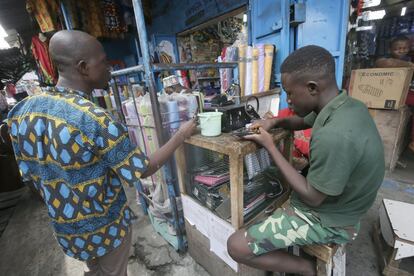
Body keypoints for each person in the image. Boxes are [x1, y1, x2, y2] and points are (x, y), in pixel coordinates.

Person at [7, 30, 196, 276]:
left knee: (95, 269)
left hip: (67, 227)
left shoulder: (24, 110)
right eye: (104, 62)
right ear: (83, 67)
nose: (110, 68)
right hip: (104, 229)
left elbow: (28, 170)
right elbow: (142, 168)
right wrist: (181, 135)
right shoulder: (93, 120)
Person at [227, 45, 385, 275]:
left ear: (312, 88)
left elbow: (312, 197)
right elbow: (300, 121)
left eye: (290, 93)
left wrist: (271, 146)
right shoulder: (344, 105)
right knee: (279, 179)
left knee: (236, 246)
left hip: (333, 219)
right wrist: (273, 123)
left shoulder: (334, 134)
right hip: (349, 200)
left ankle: (307, 268)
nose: (288, 100)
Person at [375, 35, 414, 153]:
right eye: (398, 48)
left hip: (404, 92)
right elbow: (382, 63)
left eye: (405, 48)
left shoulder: (410, 59)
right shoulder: (385, 59)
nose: (402, 51)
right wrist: (409, 65)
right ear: (390, 50)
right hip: (390, 93)